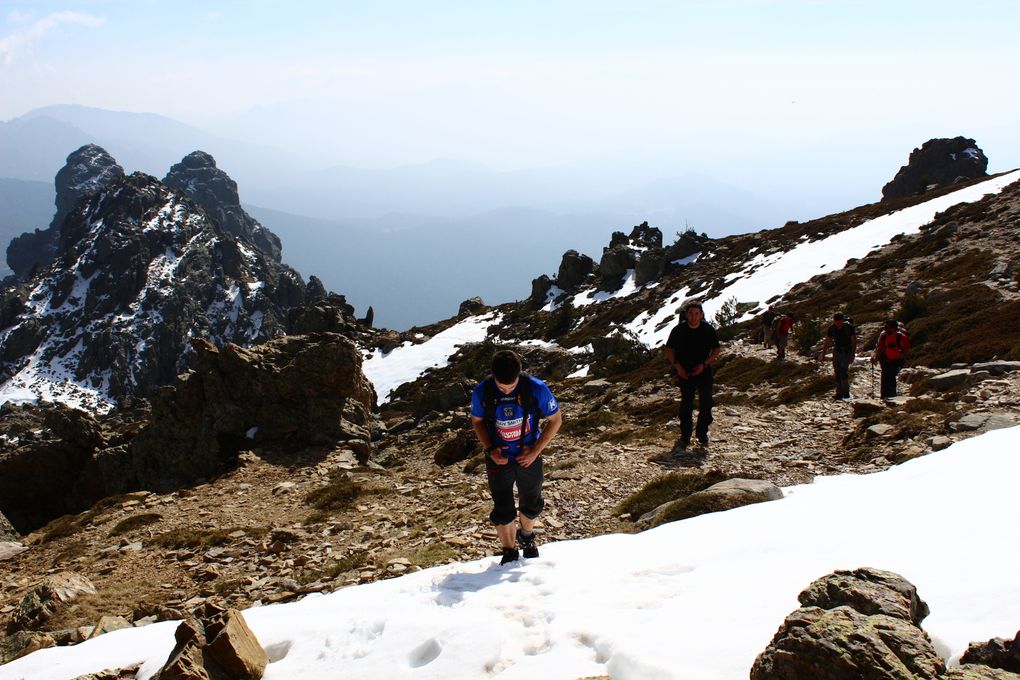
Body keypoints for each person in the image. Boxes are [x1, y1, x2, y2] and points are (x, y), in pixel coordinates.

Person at [470, 350, 562, 565]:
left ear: (519, 374)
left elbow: (556, 419)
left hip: (528, 454)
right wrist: (491, 449)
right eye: (502, 387)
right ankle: (509, 551)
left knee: (531, 502)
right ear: (493, 377)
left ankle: (527, 537)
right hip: (498, 456)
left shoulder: (536, 388)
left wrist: (535, 451)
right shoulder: (482, 391)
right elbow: (477, 421)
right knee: (502, 506)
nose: (506, 390)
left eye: (511, 387)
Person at [664, 302, 721, 451]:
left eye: (696, 313)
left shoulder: (708, 330)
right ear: (686, 315)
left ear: (701, 314)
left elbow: (716, 349)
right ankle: (685, 435)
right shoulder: (678, 330)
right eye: (690, 313)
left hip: (704, 371)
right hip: (685, 372)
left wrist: (705, 364)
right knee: (686, 405)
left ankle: (702, 433)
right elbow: (669, 349)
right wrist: (677, 366)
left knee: (707, 403)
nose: (693, 317)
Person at [819, 312, 857, 400]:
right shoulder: (832, 328)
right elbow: (827, 342)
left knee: (843, 371)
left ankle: (846, 394)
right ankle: (839, 393)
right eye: (836, 321)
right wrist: (823, 354)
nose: (838, 323)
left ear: (842, 320)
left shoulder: (849, 327)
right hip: (837, 351)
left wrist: (852, 354)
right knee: (837, 372)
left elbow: (854, 341)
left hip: (847, 351)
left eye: (839, 321)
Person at [871, 319, 911, 400]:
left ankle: (891, 396)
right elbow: (880, 348)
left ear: (894, 328)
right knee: (885, 376)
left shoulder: (902, 337)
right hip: (885, 358)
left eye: (887, 327)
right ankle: (885, 396)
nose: (885, 329)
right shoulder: (884, 336)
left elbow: (906, 351)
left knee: (891, 376)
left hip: (897, 360)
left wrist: (903, 359)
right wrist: (875, 358)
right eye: (885, 327)